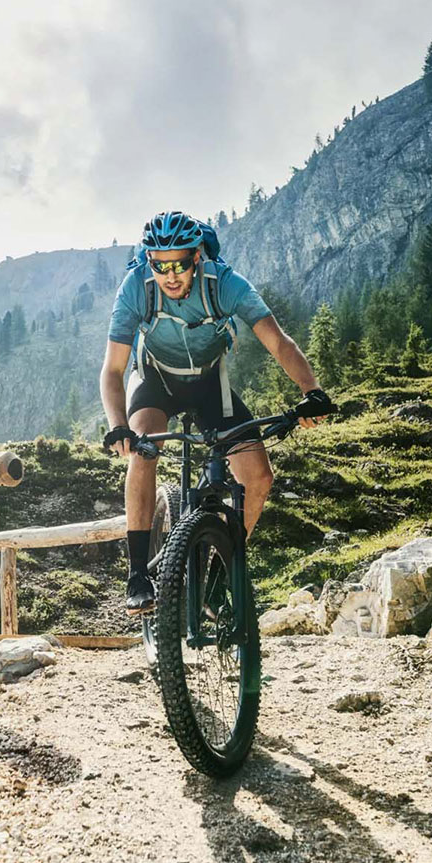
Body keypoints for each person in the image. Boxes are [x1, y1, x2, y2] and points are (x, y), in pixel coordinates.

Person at [100, 210, 333, 615]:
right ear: (149, 261)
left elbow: (278, 342)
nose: (170, 276)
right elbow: (114, 369)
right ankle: (138, 573)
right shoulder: (136, 287)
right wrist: (118, 426)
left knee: (258, 478)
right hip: (156, 380)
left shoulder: (225, 283)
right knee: (144, 449)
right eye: (160, 265)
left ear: (198, 257)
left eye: (180, 264)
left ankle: (219, 574)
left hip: (210, 382)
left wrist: (310, 391)